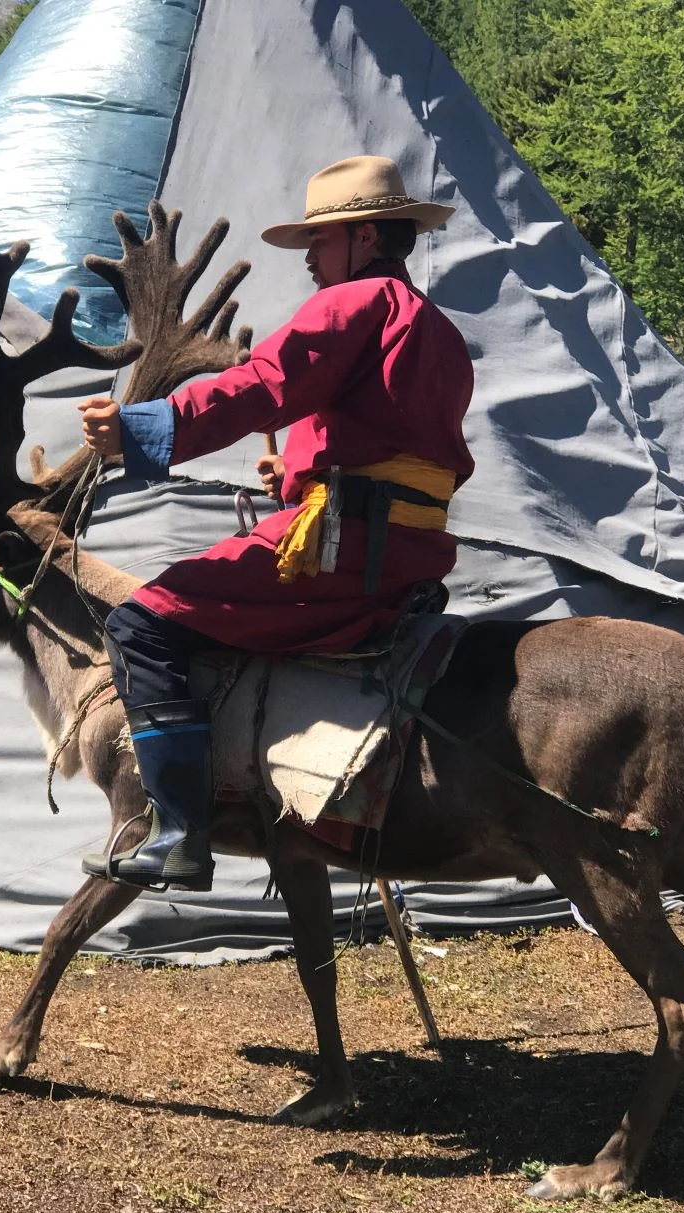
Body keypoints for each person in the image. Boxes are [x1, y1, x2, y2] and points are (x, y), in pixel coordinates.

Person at [77, 155, 476, 892]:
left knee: (142, 624)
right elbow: (396, 445)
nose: (311, 265)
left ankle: (179, 832)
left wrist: (142, 429)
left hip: (346, 555)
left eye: (319, 246)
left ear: (361, 238)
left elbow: (267, 384)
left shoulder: (352, 305)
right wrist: (300, 477)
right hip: (408, 550)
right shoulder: (440, 331)